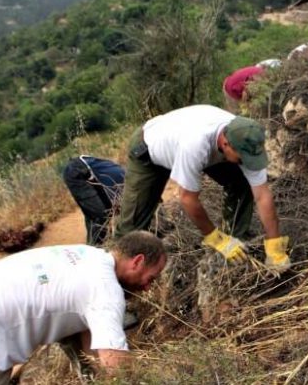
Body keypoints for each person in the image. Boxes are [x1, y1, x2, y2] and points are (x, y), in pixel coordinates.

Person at [0, 231, 167, 384]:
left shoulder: (89, 255)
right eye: (151, 277)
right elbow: (116, 364)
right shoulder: (105, 291)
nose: (148, 288)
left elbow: (88, 334)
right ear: (137, 262)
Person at [114, 104, 291, 271]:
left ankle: (236, 239)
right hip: (148, 149)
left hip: (195, 147)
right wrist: (217, 239)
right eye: (242, 158)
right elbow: (187, 198)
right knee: (131, 228)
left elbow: (262, 196)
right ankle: (120, 277)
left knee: (241, 181)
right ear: (225, 143)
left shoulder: (246, 138)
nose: (246, 162)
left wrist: (275, 245)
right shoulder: (195, 144)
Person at [63, 155, 125, 246]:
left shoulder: (124, 174)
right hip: (77, 171)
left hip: (81, 168)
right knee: (100, 215)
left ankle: (92, 244)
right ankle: (95, 248)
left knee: (96, 213)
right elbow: (117, 208)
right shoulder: (125, 181)